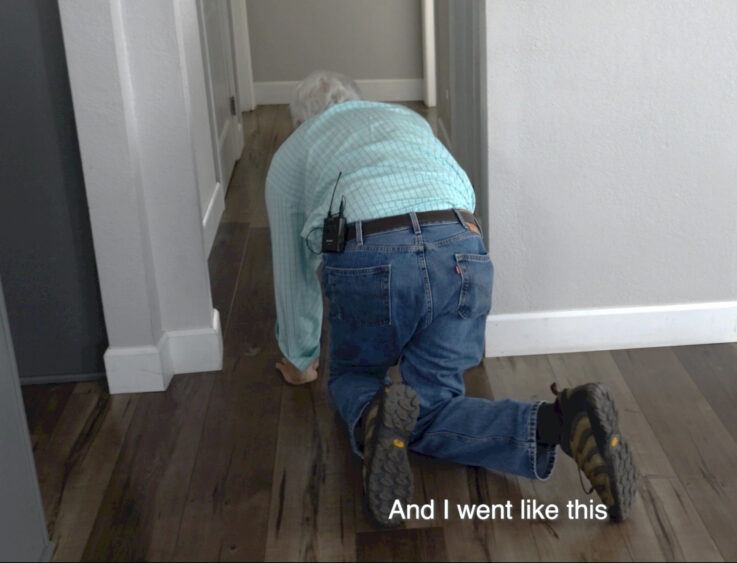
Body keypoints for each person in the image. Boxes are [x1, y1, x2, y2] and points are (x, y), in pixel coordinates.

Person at [265, 70, 637, 527]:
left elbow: (292, 267)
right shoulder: (405, 120)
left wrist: (301, 358)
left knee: (353, 376)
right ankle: (560, 422)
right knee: (432, 402)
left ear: (301, 121)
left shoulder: (293, 153)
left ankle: (372, 417)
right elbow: (460, 187)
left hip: (369, 250)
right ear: (358, 100)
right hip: (460, 245)